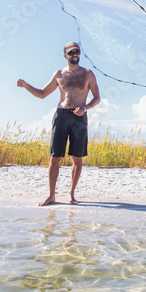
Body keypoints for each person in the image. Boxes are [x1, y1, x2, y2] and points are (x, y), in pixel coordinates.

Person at [17, 42, 100, 206]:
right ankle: (51, 196)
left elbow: (97, 98)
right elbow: (42, 94)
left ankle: (72, 194)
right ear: (65, 56)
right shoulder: (59, 74)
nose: (75, 55)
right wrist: (26, 85)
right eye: (71, 53)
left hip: (79, 116)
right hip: (61, 115)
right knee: (55, 158)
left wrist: (85, 108)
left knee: (77, 158)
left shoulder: (88, 74)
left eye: (77, 52)